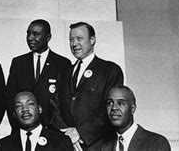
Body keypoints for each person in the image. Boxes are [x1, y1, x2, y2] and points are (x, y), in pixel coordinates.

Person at [50, 22, 124, 151]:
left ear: (92, 40)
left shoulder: (109, 70)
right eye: (71, 40)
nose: (74, 44)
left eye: (79, 38)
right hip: (67, 145)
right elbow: (55, 106)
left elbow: (110, 108)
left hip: (98, 145)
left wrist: (80, 132)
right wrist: (68, 135)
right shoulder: (64, 72)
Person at [6, 19, 71, 129]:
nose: (30, 38)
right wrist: (18, 127)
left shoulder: (62, 63)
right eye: (28, 34)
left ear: (48, 37)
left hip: (52, 131)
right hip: (24, 130)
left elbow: (64, 101)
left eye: (36, 34)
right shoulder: (18, 63)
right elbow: (10, 98)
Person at [0, 91, 72, 150]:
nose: (25, 109)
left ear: (39, 109)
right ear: (14, 114)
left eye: (30, 104)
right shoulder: (3, 145)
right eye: (18, 106)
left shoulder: (61, 142)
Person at [102, 85, 171, 151]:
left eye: (120, 103)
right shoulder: (106, 147)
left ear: (132, 109)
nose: (114, 108)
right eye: (110, 103)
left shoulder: (157, 143)